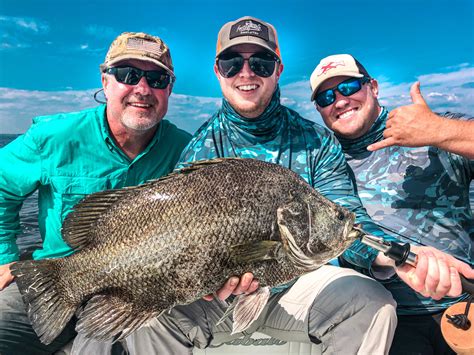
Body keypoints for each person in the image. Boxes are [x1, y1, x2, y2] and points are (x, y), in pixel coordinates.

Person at [125, 16, 398, 355]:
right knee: (144, 316)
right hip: (216, 302)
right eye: (231, 62)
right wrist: (206, 279)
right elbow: (178, 243)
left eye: (261, 62)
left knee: (372, 303)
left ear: (278, 70)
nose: (246, 72)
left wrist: (391, 257)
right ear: (217, 71)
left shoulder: (317, 142)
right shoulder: (198, 149)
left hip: (301, 287)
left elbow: (348, 222)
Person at [0, 32, 191, 355]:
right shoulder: (53, 136)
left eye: (156, 78)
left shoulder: (186, 150)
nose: (142, 89)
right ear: (105, 81)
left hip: (136, 295)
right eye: (128, 75)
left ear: (169, 89)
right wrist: (4, 257)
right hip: (55, 279)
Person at [309, 53, 474, 354]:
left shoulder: (431, 129)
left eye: (348, 87)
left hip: (466, 303)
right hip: (386, 317)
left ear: (373, 86)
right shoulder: (322, 165)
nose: (340, 100)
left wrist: (440, 131)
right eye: (326, 96)